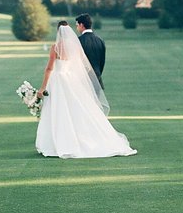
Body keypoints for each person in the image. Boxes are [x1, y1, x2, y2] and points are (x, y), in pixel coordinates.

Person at [35, 21, 136, 159]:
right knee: (76, 110)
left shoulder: (55, 47)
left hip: (58, 81)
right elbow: (82, 67)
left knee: (59, 111)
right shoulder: (75, 48)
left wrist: (42, 88)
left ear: (58, 32)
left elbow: (49, 69)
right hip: (71, 80)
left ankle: (59, 142)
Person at [75, 13, 105, 87]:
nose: (77, 28)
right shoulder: (100, 40)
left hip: (82, 79)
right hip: (97, 78)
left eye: (77, 25)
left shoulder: (78, 41)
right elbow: (102, 62)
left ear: (81, 25)